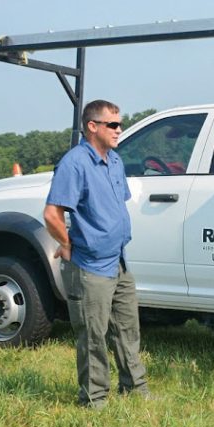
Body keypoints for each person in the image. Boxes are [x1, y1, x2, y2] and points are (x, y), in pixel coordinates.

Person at [44, 99, 151, 408]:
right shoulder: (74, 163)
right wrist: (66, 245)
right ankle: (94, 399)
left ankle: (134, 388)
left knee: (128, 329)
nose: (120, 130)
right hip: (89, 265)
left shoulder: (114, 161)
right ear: (93, 126)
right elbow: (52, 214)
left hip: (118, 261)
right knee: (93, 335)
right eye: (113, 125)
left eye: (120, 123)